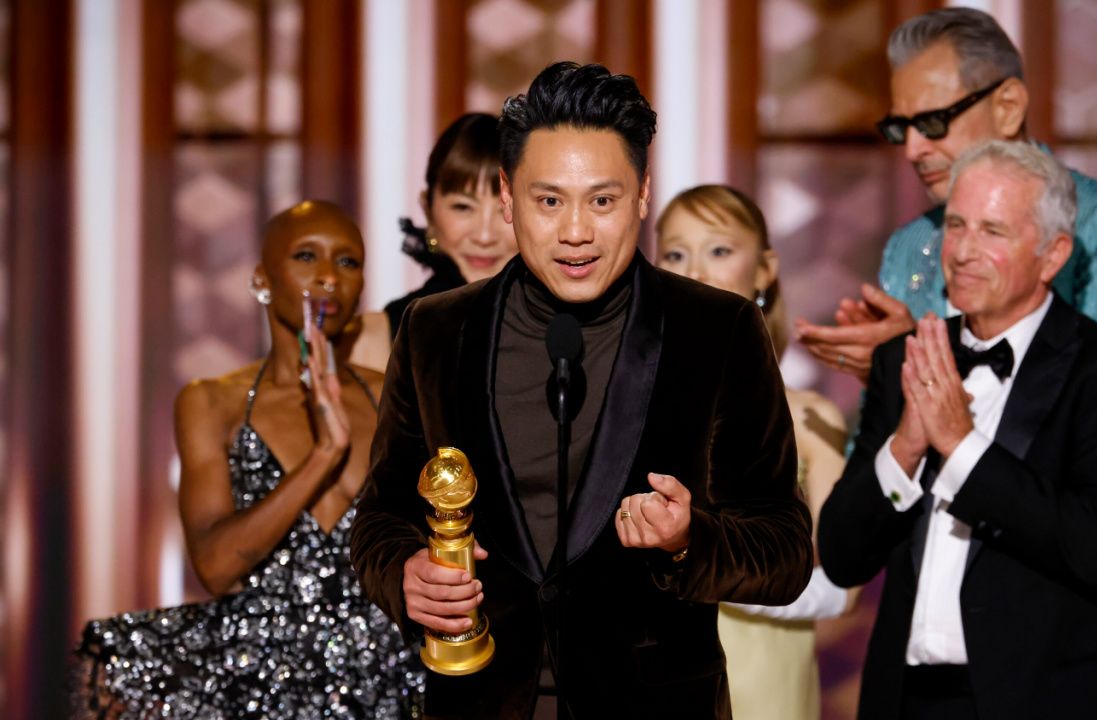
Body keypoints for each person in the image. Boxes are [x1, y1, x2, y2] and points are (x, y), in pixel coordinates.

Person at [350, 62, 813, 719]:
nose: (576, 232)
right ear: (508, 197)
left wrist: (691, 540)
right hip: (477, 699)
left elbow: (786, 552)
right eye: (549, 201)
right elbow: (380, 516)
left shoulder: (719, 330)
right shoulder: (435, 330)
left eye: (603, 200)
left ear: (644, 193)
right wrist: (404, 575)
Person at [796, 7, 1097, 705]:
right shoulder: (913, 243)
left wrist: (951, 424)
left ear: (1008, 104)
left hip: (1066, 621)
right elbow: (860, 520)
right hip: (926, 638)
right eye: (897, 127)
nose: (911, 148)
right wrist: (902, 375)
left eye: (931, 121)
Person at [820, 140, 1097, 719]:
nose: (962, 251)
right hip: (906, 702)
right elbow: (842, 555)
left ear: (1052, 255)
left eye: (993, 232)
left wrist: (961, 447)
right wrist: (905, 445)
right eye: (956, 225)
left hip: (1047, 701)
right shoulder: (902, 360)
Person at [72, 201, 425, 718]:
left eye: (348, 263)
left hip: (391, 671)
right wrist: (325, 455)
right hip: (262, 674)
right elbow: (214, 567)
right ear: (262, 278)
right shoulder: (213, 402)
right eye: (307, 256)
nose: (329, 276)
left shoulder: (394, 396)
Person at [656, 184, 855, 720]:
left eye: (719, 250)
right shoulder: (623, 409)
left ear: (765, 269)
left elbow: (840, 590)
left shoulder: (811, 419)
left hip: (764, 691)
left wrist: (699, 562)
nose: (694, 271)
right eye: (675, 253)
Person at [348, 113, 518, 370]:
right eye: (463, 207)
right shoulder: (376, 338)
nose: (484, 236)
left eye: (505, 209)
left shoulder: (567, 329)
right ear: (428, 209)